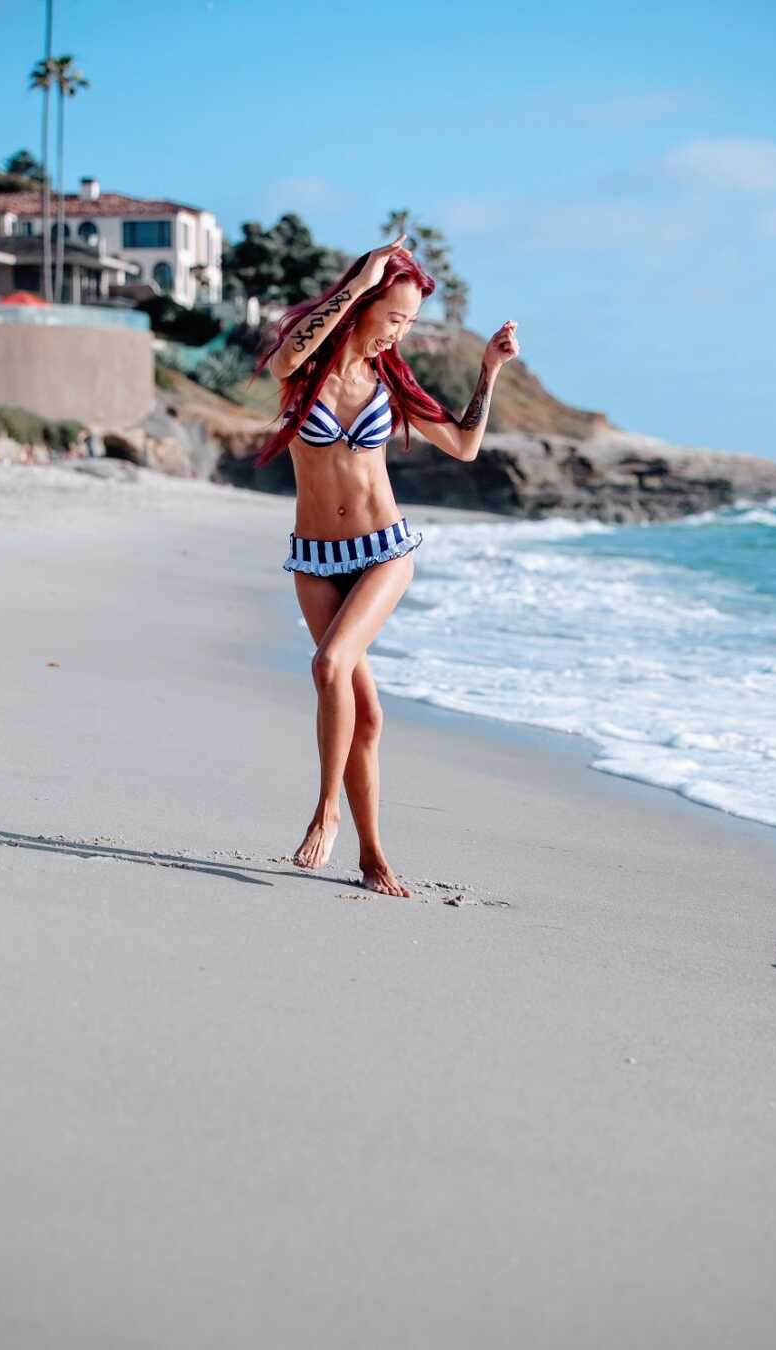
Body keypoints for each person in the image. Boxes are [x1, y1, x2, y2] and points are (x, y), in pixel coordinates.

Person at [256, 233, 519, 897]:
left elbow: (462, 445)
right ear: (365, 304)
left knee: (328, 667)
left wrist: (489, 369)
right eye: (393, 317)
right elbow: (289, 352)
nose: (397, 334)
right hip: (316, 558)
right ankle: (374, 856)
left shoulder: (388, 383)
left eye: (408, 322)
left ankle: (327, 811)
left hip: (382, 551)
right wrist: (361, 278)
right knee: (366, 717)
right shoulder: (302, 373)